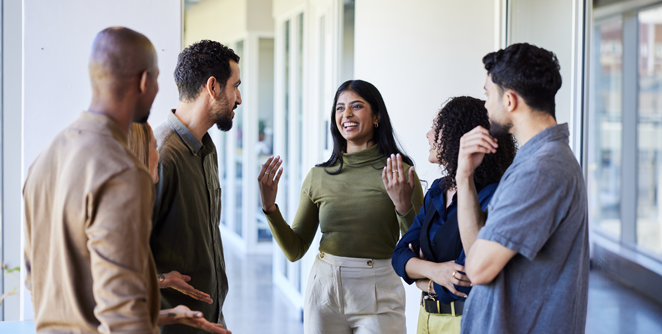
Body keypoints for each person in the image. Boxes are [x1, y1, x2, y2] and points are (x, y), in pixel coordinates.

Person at [23, 27, 223, 334]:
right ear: (145, 81)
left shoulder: (46, 159)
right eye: (157, 79)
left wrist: (167, 315)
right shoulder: (123, 171)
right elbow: (124, 315)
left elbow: (36, 278)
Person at [258, 80, 424, 334]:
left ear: (377, 116)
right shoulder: (319, 175)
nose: (346, 114)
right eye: (339, 108)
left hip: (379, 289)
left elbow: (419, 250)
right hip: (323, 290)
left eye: (356, 106)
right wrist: (270, 207)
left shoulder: (398, 173)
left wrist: (403, 207)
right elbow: (295, 249)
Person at [456, 43, 589, 334]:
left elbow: (477, 269)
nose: (485, 105)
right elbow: (475, 248)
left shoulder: (540, 170)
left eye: (488, 94)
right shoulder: (535, 161)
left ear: (510, 101)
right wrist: (464, 175)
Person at [390, 97, 517, 334]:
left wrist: (418, 271)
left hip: (464, 321)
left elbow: (463, 281)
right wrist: (434, 272)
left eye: (437, 126)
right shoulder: (437, 190)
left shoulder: (493, 196)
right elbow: (398, 256)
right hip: (426, 319)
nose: (428, 134)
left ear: (460, 135)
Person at [151, 40, 241, 334]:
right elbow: (116, 257)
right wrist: (162, 280)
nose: (238, 98)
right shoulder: (161, 155)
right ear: (212, 87)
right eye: (235, 86)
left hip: (210, 320)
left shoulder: (206, 149)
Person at [128, 123, 227, 333]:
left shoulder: (207, 150)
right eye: (155, 148)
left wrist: (174, 313)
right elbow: (113, 294)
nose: (160, 155)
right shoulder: (117, 224)